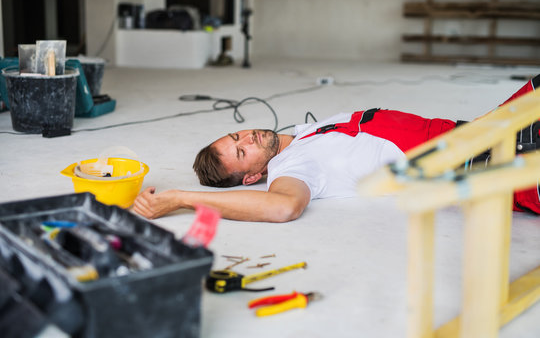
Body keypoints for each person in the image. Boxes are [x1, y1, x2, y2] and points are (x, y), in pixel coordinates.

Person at [133, 75, 540, 222]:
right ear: (254, 175)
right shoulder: (293, 168)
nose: (248, 137)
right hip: (500, 161)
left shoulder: (307, 133)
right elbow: (281, 207)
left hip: (494, 126)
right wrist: (182, 199)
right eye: (241, 152)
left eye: (235, 137)